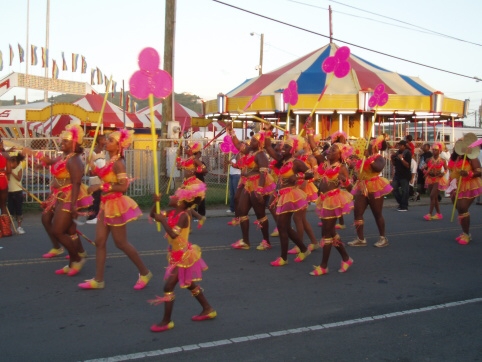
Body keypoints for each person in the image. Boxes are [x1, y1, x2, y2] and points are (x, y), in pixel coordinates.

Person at [78, 130, 152, 289]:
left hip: (116, 205)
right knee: (99, 242)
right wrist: (93, 166)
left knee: (121, 243)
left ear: (119, 146)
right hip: (105, 205)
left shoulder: (119, 163)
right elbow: (105, 174)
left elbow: (123, 186)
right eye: (107, 140)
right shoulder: (111, 160)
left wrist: (100, 186)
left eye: (110, 140)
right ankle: (98, 280)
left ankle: (145, 272)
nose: (106, 142)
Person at [148, 181, 216, 333]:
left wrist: (163, 221)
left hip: (184, 256)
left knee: (168, 287)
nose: (171, 197)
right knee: (189, 283)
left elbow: (173, 233)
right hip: (176, 254)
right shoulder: (173, 213)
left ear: (180, 201)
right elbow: (154, 215)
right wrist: (156, 203)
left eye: (174, 195)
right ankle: (208, 309)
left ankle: (166, 321)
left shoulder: (183, 216)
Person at [34, 125, 93, 275]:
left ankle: (77, 259)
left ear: (73, 144)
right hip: (59, 195)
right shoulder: (63, 157)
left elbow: (76, 183)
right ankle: (74, 260)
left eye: (65, 141)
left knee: (58, 231)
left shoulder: (74, 160)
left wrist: (73, 205)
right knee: (67, 229)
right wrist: (35, 156)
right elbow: (50, 162)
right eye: (62, 141)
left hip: (69, 197)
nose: (62, 143)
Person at [264, 134, 313, 266]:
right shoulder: (282, 160)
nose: (282, 148)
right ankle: (303, 249)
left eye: (286, 147)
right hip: (281, 195)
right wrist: (266, 132)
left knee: (282, 226)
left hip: (291, 196)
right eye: (282, 146)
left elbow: (311, 173)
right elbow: (268, 147)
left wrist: (297, 176)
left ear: (293, 149)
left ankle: (283, 258)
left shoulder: (296, 162)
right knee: (284, 226)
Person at [226, 123, 276, 250]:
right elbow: (238, 145)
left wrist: (259, 190)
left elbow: (263, 173)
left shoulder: (261, 155)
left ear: (259, 143)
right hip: (248, 184)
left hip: (257, 185)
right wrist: (232, 132)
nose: (251, 140)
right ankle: (246, 241)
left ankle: (266, 241)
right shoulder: (249, 151)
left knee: (260, 214)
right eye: (252, 139)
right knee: (242, 211)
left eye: (254, 140)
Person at [310, 142, 354, 276]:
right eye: (330, 148)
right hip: (323, 200)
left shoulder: (341, 168)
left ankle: (323, 266)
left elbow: (350, 189)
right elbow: (315, 151)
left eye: (334, 149)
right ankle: (346, 259)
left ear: (341, 154)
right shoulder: (324, 163)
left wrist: (345, 181)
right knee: (331, 232)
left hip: (334, 201)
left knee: (326, 233)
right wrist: (309, 133)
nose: (329, 151)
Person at [348, 135, 392, 248]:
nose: (367, 146)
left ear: (376, 147)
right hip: (362, 186)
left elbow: (377, 168)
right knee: (357, 212)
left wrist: (369, 159)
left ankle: (383, 238)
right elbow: (359, 171)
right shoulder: (362, 158)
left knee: (377, 214)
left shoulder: (379, 158)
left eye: (370, 144)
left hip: (374, 186)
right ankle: (360, 238)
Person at [447, 137, 482, 245]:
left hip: (470, 185)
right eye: (456, 145)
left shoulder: (471, 157)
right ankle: (464, 232)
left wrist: (469, 174)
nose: (457, 147)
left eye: (460, 145)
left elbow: (479, 171)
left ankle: (467, 235)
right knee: (460, 209)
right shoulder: (454, 158)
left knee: (463, 207)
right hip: (457, 186)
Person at [422, 142, 448, 220]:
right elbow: (424, 168)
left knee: (432, 196)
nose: (434, 151)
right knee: (435, 197)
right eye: (433, 150)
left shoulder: (442, 160)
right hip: (430, 179)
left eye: (436, 150)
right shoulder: (429, 160)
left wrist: (443, 173)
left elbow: (446, 169)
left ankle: (429, 214)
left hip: (438, 179)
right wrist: (425, 170)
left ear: (439, 151)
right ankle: (439, 213)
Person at [86, 134, 107, 224]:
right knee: (95, 197)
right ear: (99, 141)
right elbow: (91, 168)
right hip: (95, 177)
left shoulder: (104, 152)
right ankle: (92, 216)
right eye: (104, 139)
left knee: (100, 197)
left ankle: (98, 215)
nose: (106, 141)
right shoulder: (94, 152)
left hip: (102, 177)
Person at [391, 140, 412, 212]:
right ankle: (401, 203)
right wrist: (392, 158)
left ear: (404, 146)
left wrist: (401, 158)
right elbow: (395, 164)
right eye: (398, 145)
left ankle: (404, 206)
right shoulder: (398, 153)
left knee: (404, 190)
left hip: (404, 175)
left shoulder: (407, 153)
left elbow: (407, 165)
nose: (399, 146)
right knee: (393, 188)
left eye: (401, 145)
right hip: (397, 174)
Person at [8, 153, 26, 234]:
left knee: (18, 209)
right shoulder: (8, 169)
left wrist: (11, 172)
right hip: (10, 191)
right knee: (10, 210)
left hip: (17, 191)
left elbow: (19, 178)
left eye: (12, 162)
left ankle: (19, 226)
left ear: (16, 163)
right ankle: (11, 227)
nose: (11, 164)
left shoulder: (19, 168)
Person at [0, 138, 12, 237]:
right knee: (3, 205)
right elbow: (9, 170)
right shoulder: (6, 155)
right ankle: (6, 230)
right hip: (3, 179)